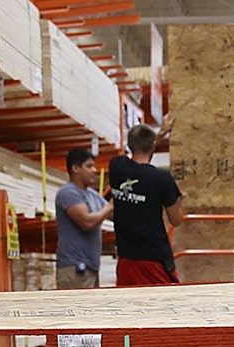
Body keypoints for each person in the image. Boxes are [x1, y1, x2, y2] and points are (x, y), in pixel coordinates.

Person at [106, 121, 186, 286]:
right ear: (153, 145)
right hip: (154, 260)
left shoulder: (116, 167)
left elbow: (140, 147)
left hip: (126, 259)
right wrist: (178, 201)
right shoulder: (161, 179)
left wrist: (160, 134)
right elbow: (176, 220)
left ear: (129, 144)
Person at [54, 147, 112, 288]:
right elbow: (87, 222)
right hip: (74, 269)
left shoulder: (93, 194)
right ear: (75, 168)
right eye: (89, 166)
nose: (94, 170)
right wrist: (109, 207)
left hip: (91, 267)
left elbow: (113, 214)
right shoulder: (68, 193)